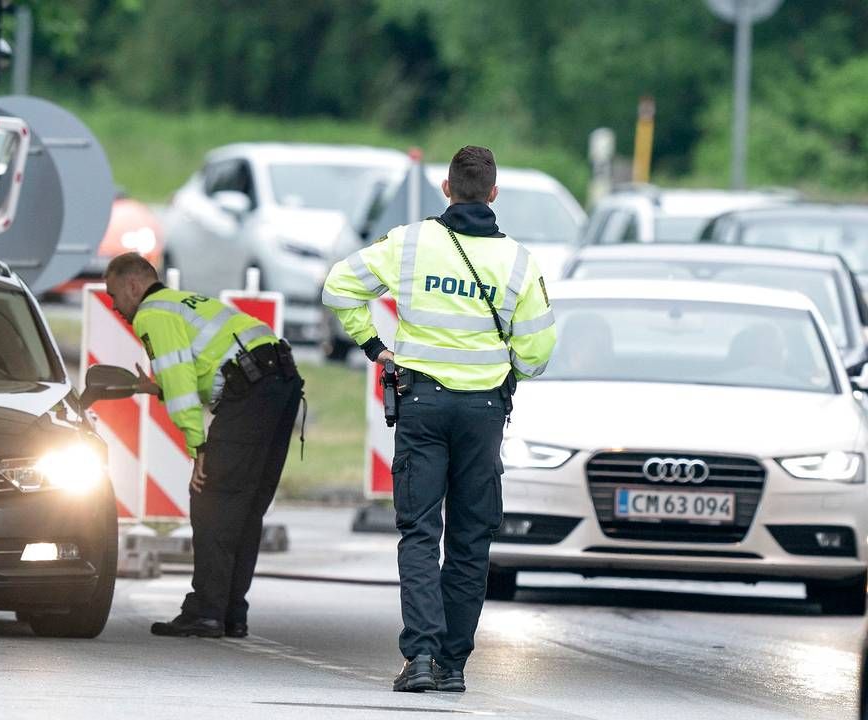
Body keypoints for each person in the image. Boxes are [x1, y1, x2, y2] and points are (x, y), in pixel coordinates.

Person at [323, 146, 557, 692]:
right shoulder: (520, 262)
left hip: (422, 407)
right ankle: (453, 666)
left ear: (446, 190)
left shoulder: (409, 243)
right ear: (494, 194)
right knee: (472, 540)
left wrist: (373, 345)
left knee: (420, 533)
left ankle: (421, 658)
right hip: (483, 414)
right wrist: (505, 365)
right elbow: (539, 353)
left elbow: (339, 285)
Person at [104, 253, 303, 639]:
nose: (115, 307)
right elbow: (204, 368)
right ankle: (230, 611)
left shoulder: (151, 314)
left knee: (212, 498)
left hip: (252, 391)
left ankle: (206, 611)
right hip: (281, 383)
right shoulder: (183, 302)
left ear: (133, 286)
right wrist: (156, 386)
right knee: (245, 506)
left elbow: (180, 384)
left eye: (115, 296)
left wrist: (199, 447)